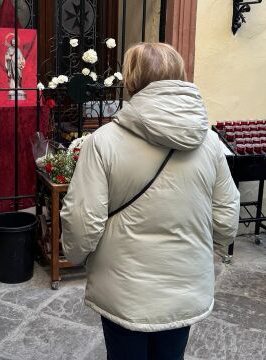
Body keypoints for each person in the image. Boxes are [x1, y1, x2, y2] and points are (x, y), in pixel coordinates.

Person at [60, 42, 240, 359]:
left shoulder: (102, 142)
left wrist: (76, 255)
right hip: (184, 284)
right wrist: (215, 245)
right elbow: (226, 215)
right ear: (180, 77)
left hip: (124, 289)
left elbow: (81, 221)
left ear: (131, 80)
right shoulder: (210, 142)